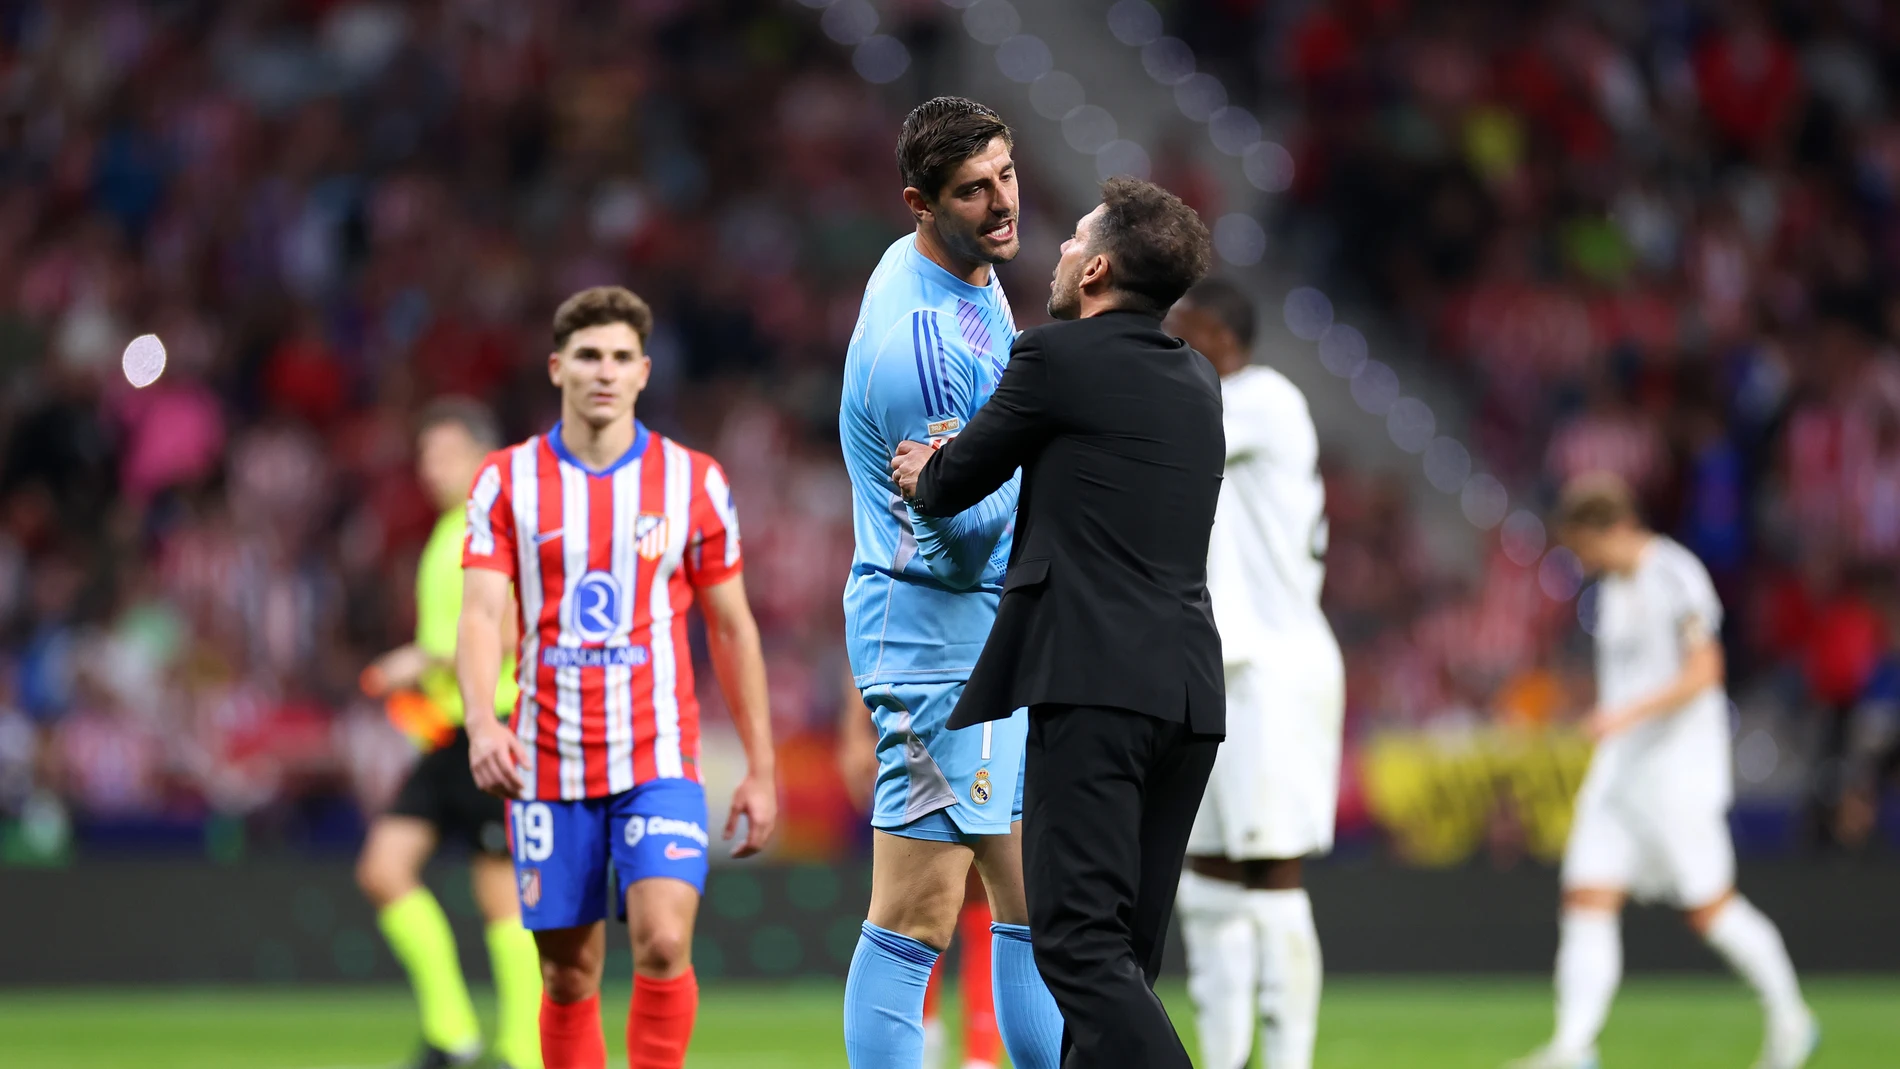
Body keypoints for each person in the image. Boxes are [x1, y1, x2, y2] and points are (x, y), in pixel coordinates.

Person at [893, 176, 1223, 1069]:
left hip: (1096, 683)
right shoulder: (1198, 377)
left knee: (1075, 945)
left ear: (1099, 269)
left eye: (1077, 239)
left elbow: (957, 480)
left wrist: (926, 466)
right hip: (1189, 694)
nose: (1063, 249)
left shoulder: (1055, 358)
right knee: (1125, 960)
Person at [456, 286, 779, 1069]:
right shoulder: (506, 481)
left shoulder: (692, 481)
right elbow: (475, 614)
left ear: (644, 372)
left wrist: (763, 767)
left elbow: (731, 626)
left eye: (621, 357)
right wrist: (481, 721)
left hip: (658, 756)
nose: (605, 371)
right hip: (547, 762)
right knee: (568, 973)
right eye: (590, 356)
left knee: (665, 940)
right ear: (558, 367)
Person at [837, 95, 1062, 1069]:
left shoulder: (960, 272)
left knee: (1032, 897)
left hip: (977, 632)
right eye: (974, 191)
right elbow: (966, 539)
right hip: (935, 636)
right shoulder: (924, 356)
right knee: (918, 907)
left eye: (1006, 175)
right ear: (918, 203)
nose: (1002, 202)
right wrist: (1049, 473)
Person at [1509, 474, 1816, 1069]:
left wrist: (1621, 715)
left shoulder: (1675, 575)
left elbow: (1705, 671)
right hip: (1621, 772)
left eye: (1583, 546)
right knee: (1586, 897)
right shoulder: (1612, 593)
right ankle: (1574, 1046)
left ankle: (1791, 1017)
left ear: (1613, 528)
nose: (1582, 561)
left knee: (1711, 909)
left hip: (1676, 773)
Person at [1164, 279, 1343, 1069]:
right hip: (1217, 661)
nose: (1166, 342)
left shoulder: (1264, 399)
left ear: (1216, 333)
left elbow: (1165, 436)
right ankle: (1227, 1055)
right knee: (1206, 868)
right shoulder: (1226, 400)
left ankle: (1290, 1058)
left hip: (1274, 663)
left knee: (1271, 865)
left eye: (1179, 329)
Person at [355, 398, 543, 1069]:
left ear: (481, 456)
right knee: (383, 868)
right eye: (424, 456)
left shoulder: (504, 526)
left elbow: (512, 624)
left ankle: (520, 1050)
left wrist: (419, 659)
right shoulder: (446, 532)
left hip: (497, 725)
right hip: (446, 733)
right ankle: (455, 1030)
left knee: (501, 894)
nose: (428, 468)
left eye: (442, 454)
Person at [836, 668, 1004, 1069]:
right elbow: (877, 622)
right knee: (918, 892)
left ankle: (979, 1057)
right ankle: (925, 1037)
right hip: (921, 725)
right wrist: (855, 731)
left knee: (988, 890)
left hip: (988, 721)